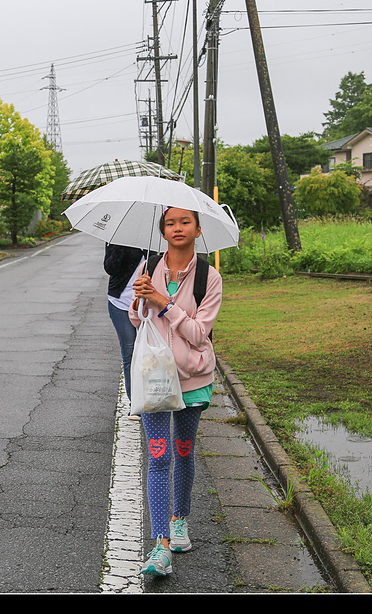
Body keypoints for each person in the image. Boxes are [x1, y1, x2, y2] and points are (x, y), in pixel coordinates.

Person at [130, 206, 222, 577]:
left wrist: (163, 302)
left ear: (198, 230)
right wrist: (140, 300)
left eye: (185, 222)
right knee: (160, 455)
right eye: (170, 223)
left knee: (184, 451)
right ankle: (161, 544)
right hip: (154, 377)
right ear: (163, 230)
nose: (178, 227)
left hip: (192, 377)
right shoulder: (148, 268)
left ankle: (179, 520)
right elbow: (138, 320)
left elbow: (200, 334)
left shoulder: (209, 277)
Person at [103, 243, 147, 409]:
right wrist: (119, 243)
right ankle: (135, 403)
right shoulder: (117, 237)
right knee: (129, 352)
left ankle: (152, 398)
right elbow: (110, 268)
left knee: (150, 353)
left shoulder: (154, 236)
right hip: (120, 303)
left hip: (148, 304)